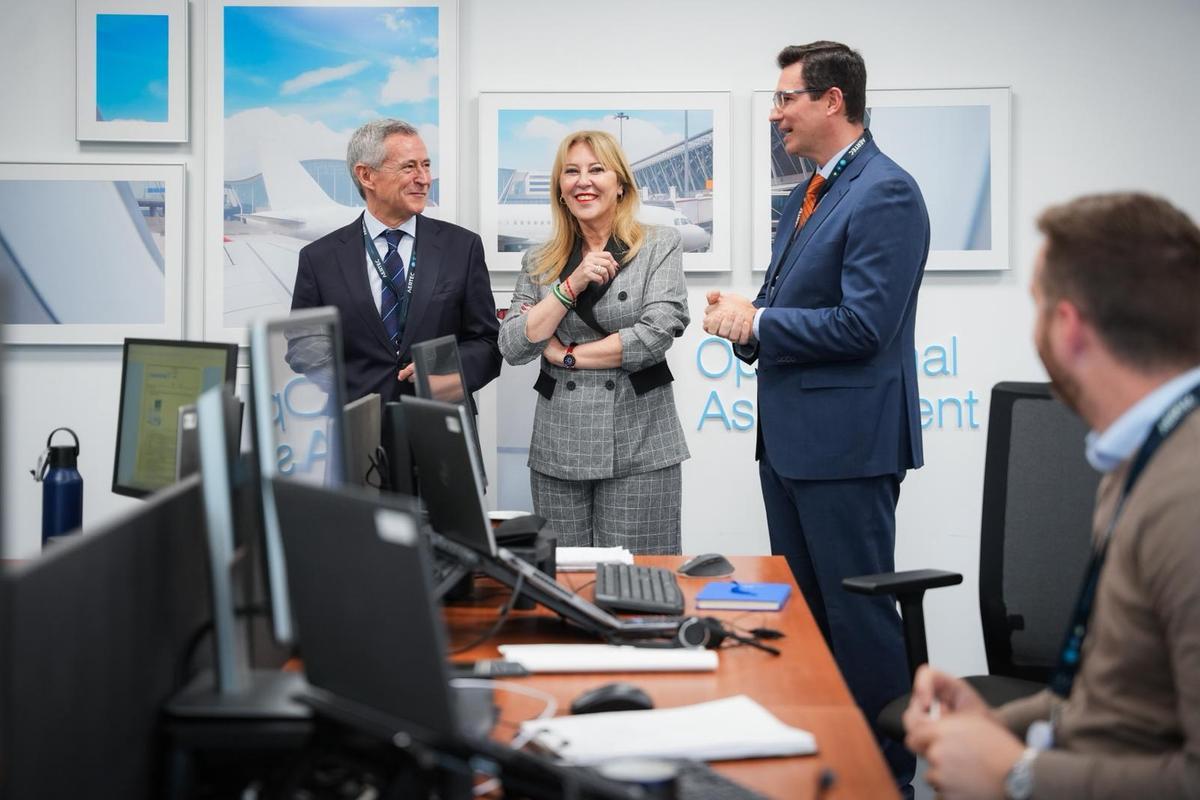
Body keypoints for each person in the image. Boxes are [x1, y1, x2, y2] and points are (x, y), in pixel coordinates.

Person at [903, 193, 1200, 800]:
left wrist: (1016, 776)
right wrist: (992, 725)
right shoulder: (1138, 458)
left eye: (1036, 306)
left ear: (1067, 328)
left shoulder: (1187, 497)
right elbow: (1115, 706)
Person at [702, 41, 929, 790]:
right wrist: (746, 321)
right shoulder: (817, 191)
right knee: (807, 626)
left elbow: (865, 326)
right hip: (794, 448)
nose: (776, 114)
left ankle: (887, 778)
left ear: (833, 101)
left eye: (786, 98)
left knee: (860, 627)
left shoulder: (885, 192)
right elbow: (795, 310)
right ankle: (830, 766)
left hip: (847, 450)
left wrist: (759, 324)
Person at [498, 130, 690, 554]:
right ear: (561, 191)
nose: (583, 181)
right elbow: (513, 345)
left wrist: (566, 356)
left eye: (596, 169)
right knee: (566, 584)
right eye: (571, 172)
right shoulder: (540, 261)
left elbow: (655, 334)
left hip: (640, 440)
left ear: (620, 183)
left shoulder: (658, 244)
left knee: (641, 582)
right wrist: (570, 285)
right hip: (557, 444)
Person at [292, 119, 501, 404]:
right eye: (409, 167)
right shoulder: (320, 258)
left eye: (426, 165)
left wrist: (445, 370)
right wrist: (354, 382)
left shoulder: (462, 248)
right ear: (366, 176)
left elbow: (487, 343)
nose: (424, 178)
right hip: (356, 424)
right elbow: (303, 344)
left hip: (441, 425)